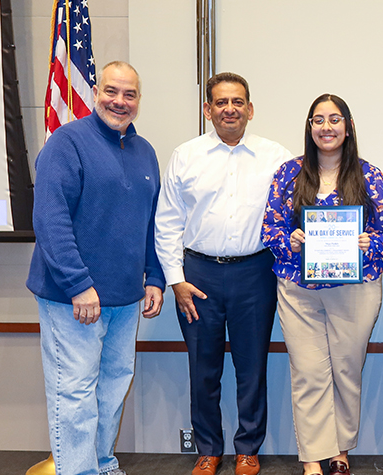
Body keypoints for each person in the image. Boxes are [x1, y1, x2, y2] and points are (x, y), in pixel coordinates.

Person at [26, 61, 165, 475]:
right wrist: (78, 284)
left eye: (129, 94)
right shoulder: (66, 143)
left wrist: (154, 277)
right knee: (74, 392)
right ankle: (79, 471)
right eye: (111, 91)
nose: (119, 101)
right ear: (95, 92)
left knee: (112, 388)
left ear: (139, 100)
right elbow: (50, 220)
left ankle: (102, 466)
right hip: (73, 298)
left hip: (124, 298)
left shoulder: (145, 152)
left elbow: (151, 222)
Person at [154, 72, 293, 475]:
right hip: (198, 276)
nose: (229, 109)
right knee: (203, 367)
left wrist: (375, 194)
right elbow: (167, 223)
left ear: (250, 109)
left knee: (252, 367)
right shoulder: (186, 156)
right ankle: (209, 449)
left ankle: (248, 448)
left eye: (237, 102)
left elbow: (311, 198)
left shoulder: (276, 157)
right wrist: (176, 280)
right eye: (220, 102)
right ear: (207, 109)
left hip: (256, 273)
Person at [260, 93, 383, 475]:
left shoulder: (369, 176)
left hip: (355, 290)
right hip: (298, 289)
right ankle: (311, 459)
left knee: (346, 370)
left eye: (334, 120)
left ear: (348, 127)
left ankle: (339, 451)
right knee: (308, 372)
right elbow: (268, 228)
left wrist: (371, 242)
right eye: (318, 120)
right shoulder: (288, 173)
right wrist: (288, 240)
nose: (326, 127)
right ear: (309, 128)